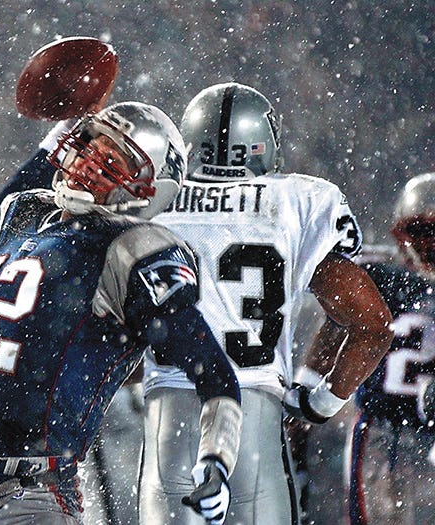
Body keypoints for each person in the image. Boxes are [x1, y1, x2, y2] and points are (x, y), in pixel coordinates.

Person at [0, 101, 243, 525]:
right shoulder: (27, 214)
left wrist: (217, 461)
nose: (88, 164)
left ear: (149, 188)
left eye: (111, 163)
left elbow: (215, 375)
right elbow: (13, 195)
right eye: (88, 147)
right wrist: (72, 111)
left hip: (24, 493)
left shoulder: (133, 251)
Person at [138, 82, 393, 525]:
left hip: (170, 421)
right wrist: (320, 403)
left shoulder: (150, 202)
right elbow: (373, 327)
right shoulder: (296, 202)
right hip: (253, 417)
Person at [331, 172, 435, 525]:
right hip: (382, 426)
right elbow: (333, 327)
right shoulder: (381, 275)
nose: (429, 246)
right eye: (422, 235)